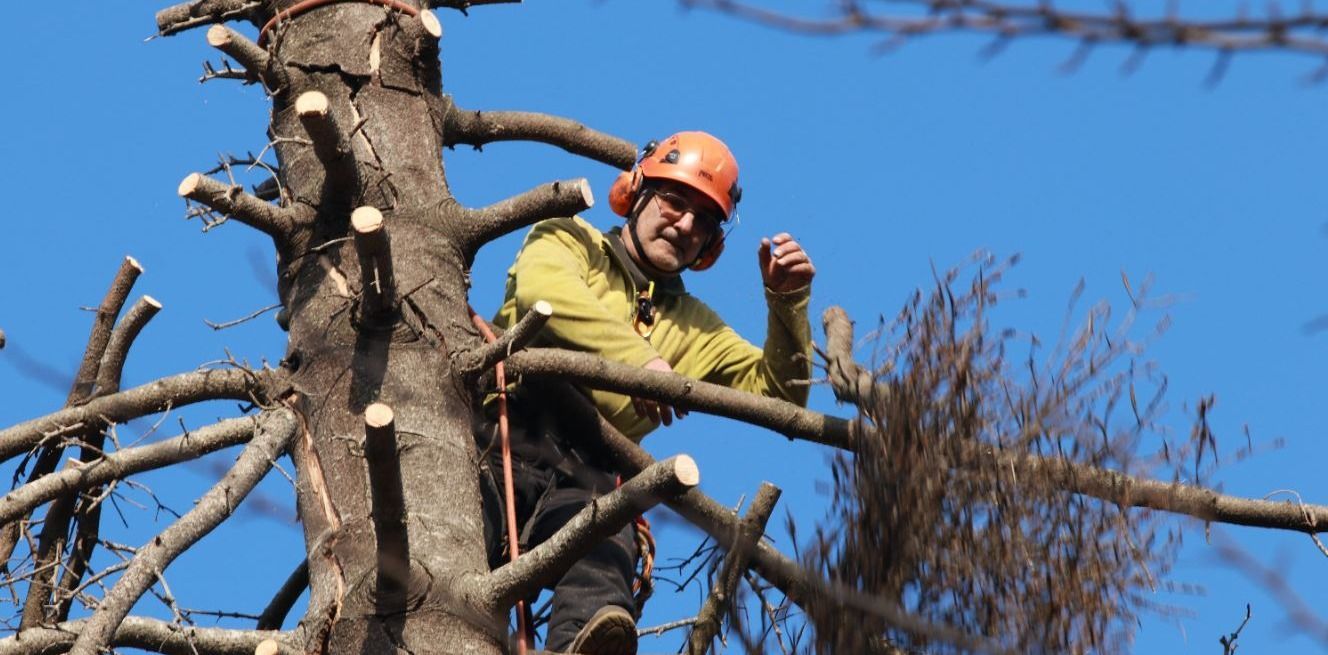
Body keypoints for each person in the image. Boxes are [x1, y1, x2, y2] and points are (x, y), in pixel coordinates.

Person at [478, 131, 815, 655]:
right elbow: (544, 293)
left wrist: (787, 304)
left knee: (607, 549)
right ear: (633, 193)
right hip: (501, 435)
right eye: (675, 202)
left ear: (712, 246)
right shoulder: (569, 238)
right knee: (445, 545)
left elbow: (781, 398)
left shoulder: (696, 327)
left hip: (588, 472)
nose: (685, 225)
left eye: (704, 221)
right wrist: (641, 363)